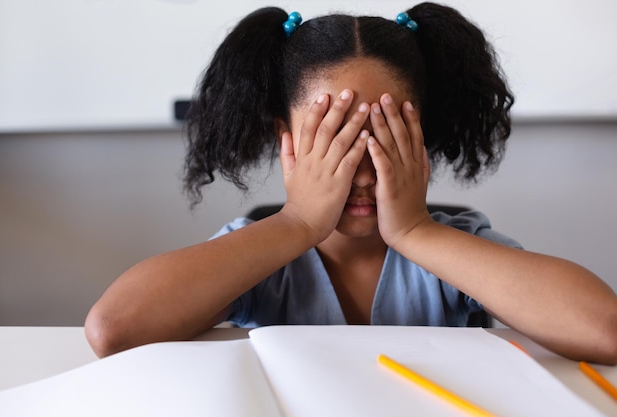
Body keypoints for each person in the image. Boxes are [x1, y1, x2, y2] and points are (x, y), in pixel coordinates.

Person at [85, 3, 617, 363]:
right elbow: (114, 330)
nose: (361, 173)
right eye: (336, 140)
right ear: (286, 139)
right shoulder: (258, 260)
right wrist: (295, 224)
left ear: (420, 139)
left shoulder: (455, 252)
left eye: (383, 139)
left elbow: (605, 330)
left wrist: (414, 231)